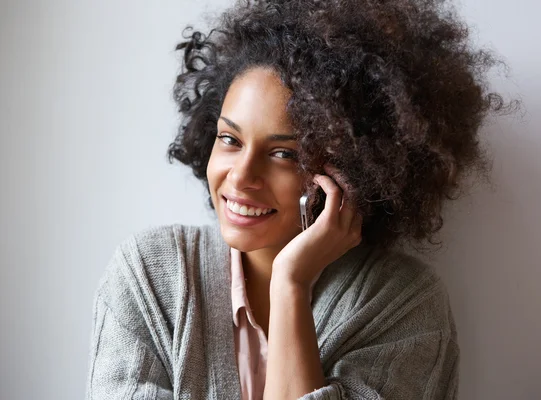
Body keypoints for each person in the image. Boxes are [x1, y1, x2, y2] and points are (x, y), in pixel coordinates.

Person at [85, 0, 514, 398]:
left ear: (351, 169)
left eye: (284, 154)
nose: (242, 176)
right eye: (230, 139)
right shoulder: (149, 279)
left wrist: (291, 284)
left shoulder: (402, 304)